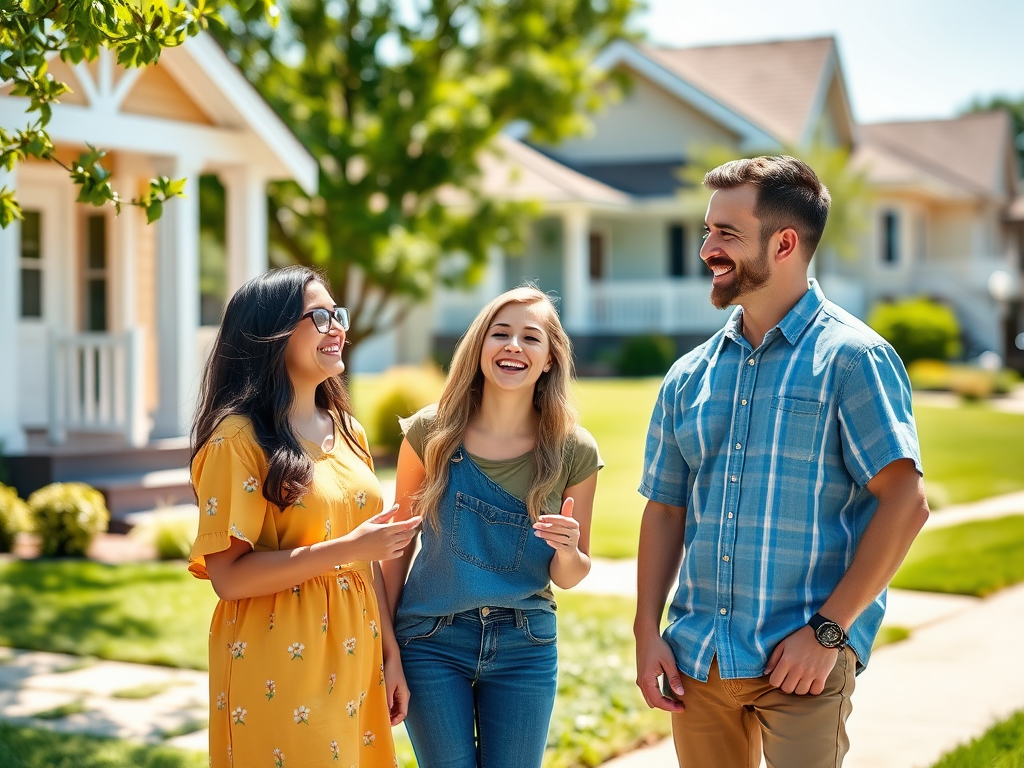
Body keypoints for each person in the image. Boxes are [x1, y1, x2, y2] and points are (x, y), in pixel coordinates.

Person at [633, 156, 930, 768]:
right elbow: (664, 511)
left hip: (803, 663)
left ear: (785, 242)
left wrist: (829, 632)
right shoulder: (689, 375)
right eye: (708, 231)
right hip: (701, 661)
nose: (707, 249)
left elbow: (906, 502)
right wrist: (646, 634)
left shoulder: (852, 359)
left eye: (727, 234)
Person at [188, 266, 421, 768]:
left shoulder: (348, 428)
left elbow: (368, 555)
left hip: (356, 651)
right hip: (278, 660)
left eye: (337, 313)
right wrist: (350, 549)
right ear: (269, 335)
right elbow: (227, 577)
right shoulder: (237, 440)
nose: (337, 326)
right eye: (319, 316)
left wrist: (390, 653)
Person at [381, 285, 602, 768]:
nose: (513, 346)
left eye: (531, 338)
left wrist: (568, 551)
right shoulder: (429, 434)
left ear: (549, 359)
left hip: (526, 645)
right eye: (500, 334)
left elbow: (570, 574)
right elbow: (395, 549)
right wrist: (388, 647)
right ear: (479, 347)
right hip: (430, 642)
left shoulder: (575, 450)